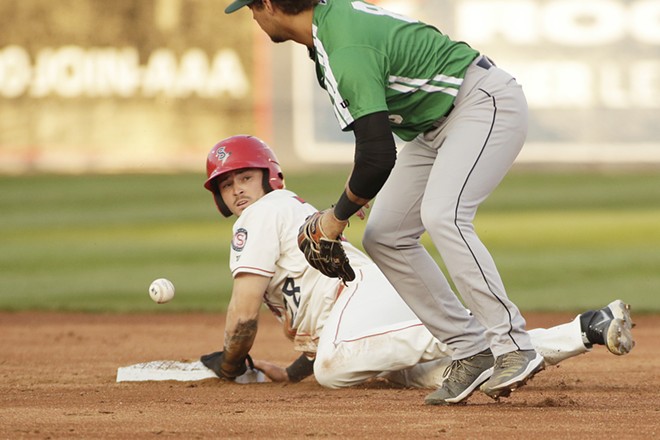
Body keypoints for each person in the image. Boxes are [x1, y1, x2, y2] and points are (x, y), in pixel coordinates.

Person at [223, 0, 561, 403]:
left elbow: (377, 157)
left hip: (480, 101)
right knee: (385, 234)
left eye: (252, 9)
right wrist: (352, 197)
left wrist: (336, 217)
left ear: (269, 5)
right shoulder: (328, 29)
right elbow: (374, 157)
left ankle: (513, 344)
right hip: (434, 128)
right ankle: (471, 349)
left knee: (445, 215)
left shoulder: (343, 46)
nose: (254, 19)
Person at [199, 135, 635, 401]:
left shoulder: (258, 216)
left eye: (243, 178)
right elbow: (307, 299)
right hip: (359, 309)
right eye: (226, 184)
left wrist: (232, 365)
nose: (236, 190)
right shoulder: (280, 210)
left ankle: (475, 335)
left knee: (333, 369)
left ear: (268, 177)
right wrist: (296, 369)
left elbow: (243, 316)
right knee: (437, 373)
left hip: (358, 303)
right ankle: (586, 328)